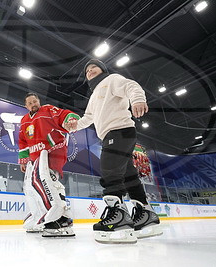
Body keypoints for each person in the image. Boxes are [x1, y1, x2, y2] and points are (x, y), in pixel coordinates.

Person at [65, 59, 162, 243]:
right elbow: (88, 118)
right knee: (128, 175)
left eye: (93, 67)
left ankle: (117, 214)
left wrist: (138, 99)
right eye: (86, 71)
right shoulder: (94, 96)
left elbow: (131, 86)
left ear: (102, 70)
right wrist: (75, 125)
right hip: (114, 133)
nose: (90, 71)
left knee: (109, 168)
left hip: (119, 130)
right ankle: (145, 214)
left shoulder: (112, 80)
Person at [18, 92, 80, 237]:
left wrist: (71, 118)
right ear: (26, 106)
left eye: (35, 101)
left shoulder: (47, 110)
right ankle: (42, 215)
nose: (34, 104)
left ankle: (61, 217)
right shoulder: (24, 120)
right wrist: (23, 159)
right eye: (30, 103)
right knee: (32, 187)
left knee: (50, 182)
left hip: (53, 152)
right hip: (35, 157)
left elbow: (63, 114)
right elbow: (22, 141)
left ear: (39, 101)